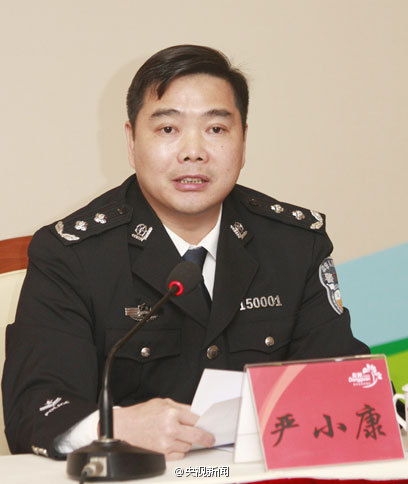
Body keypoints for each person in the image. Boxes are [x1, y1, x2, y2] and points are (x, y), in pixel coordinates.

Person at [1, 44, 369, 461]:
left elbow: (343, 381)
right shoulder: (71, 255)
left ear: (243, 140)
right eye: (167, 129)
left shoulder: (294, 244)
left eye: (216, 129)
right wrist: (113, 427)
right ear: (131, 141)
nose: (193, 151)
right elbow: (34, 409)